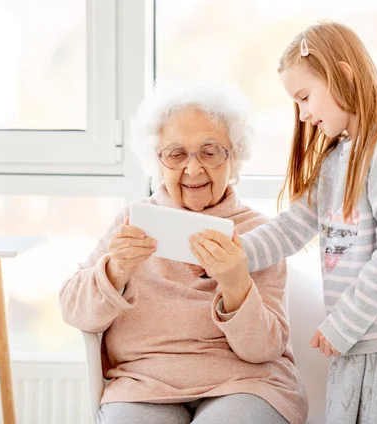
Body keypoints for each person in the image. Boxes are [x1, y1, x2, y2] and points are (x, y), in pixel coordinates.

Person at [191, 22, 377, 424]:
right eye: (297, 104)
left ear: (343, 75)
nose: (304, 114)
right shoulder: (334, 161)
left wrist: (343, 322)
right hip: (352, 348)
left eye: (305, 97)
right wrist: (233, 255)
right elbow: (292, 226)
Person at [59, 81, 308, 424]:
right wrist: (114, 271)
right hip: (142, 386)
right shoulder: (132, 222)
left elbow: (264, 350)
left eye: (210, 152)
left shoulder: (258, 233)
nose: (192, 169)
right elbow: (75, 312)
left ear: (233, 157)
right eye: (176, 154)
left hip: (247, 385)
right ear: (157, 160)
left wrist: (236, 285)